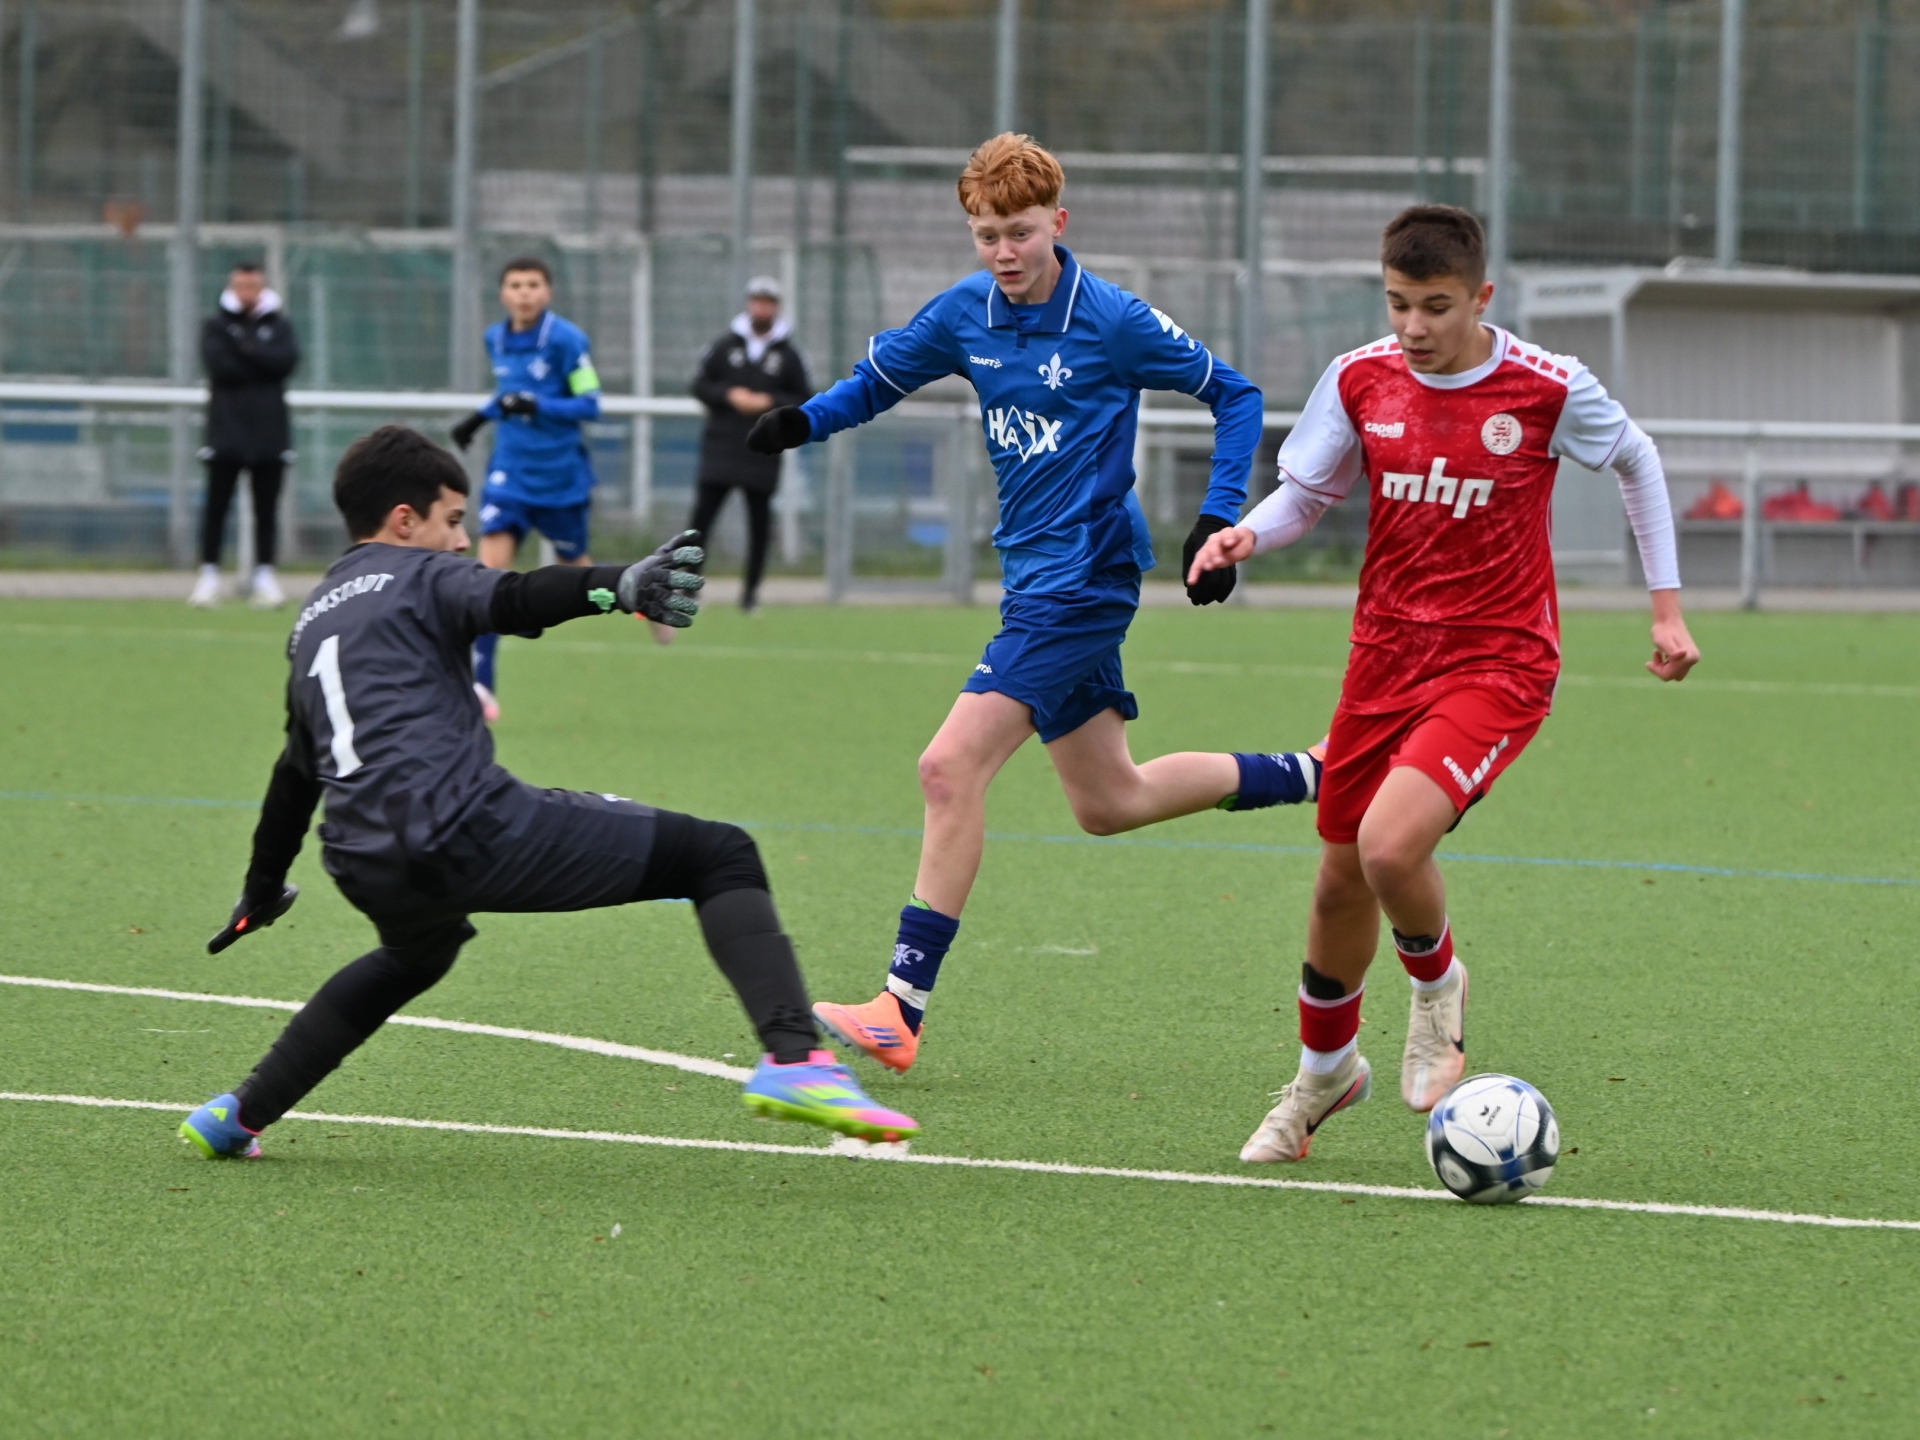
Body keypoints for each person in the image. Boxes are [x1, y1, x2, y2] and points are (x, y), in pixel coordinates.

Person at [746, 133, 1325, 1075]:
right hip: (1034, 577)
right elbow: (877, 384)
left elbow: (1237, 395)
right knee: (1110, 800)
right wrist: (803, 422)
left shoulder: (1112, 318)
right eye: (987, 235)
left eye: (1020, 232)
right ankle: (1316, 773)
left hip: (1084, 582)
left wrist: (1219, 516)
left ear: (1058, 221)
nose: (1005, 252)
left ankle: (900, 1005)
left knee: (948, 767)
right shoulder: (963, 313)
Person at [177, 425, 916, 1160]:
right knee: (718, 855)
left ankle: (240, 1113)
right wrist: (620, 585)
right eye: (453, 520)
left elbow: (294, 773)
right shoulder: (421, 573)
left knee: (415, 954)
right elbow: (519, 596)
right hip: (462, 827)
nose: (462, 541)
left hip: (362, 858)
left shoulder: (313, 621)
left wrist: (262, 889)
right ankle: (795, 1058)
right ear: (404, 520)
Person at [1186, 205, 1700, 1164]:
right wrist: (1249, 532)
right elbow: (1309, 493)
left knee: (1388, 847)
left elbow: (1637, 458)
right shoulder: (1360, 377)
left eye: (1435, 306)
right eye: (1398, 303)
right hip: (1384, 658)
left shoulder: (1546, 385)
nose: (1413, 326)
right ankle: (1322, 1077)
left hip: (1498, 662)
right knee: (1339, 880)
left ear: (1480, 297)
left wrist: (1665, 610)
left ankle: (1437, 989)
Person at [450, 257, 605, 722]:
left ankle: (641, 600)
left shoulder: (567, 340)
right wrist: (479, 418)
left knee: (583, 577)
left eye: (533, 284)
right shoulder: (495, 338)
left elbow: (589, 404)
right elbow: (509, 395)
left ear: (548, 292)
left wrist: (538, 404)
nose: (524, 293)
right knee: (488, 577)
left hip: (559, 478)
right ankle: (482, 686)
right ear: (502, 293)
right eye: (515, 285)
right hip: (510, 473)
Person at [690, 276, 814, 613]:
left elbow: (803, 396)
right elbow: (699, 384)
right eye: (757, 301)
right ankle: (688, 587)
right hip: (720, 449)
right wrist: (729, 395)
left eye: (768, 303)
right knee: (700, 523)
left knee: (759, 527)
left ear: (777, 308)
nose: (762, 308)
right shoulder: (723, 346)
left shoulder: (789, 355)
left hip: (762, 453)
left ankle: (750, 594)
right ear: (748, 304)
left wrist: (769, 401)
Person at [191, 262, 300, 609]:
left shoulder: (279, 325)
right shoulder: (216, 325)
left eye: (253, 286)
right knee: (216, 507)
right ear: (232, 286)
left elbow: (284, 363)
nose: (246, 292)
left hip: (269, 433)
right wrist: (258, 358)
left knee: (266, 510)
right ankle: (209, 575)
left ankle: (265, 576)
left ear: (262, 287)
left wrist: (245, 348)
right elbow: (220, 366)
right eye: (241, 286)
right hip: (225, 431)